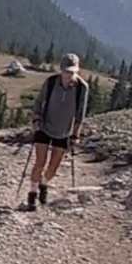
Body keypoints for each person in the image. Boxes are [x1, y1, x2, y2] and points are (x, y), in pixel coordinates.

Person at [26, 53, 89, 210]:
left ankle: (44, 184)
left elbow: (80, 113)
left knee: (53, 168)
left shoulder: (82, 88)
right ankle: (32, 195)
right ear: (61, 69)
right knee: (39, 163)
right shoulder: (51, 82)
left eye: (72, 71)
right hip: (44, 127)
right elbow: (39, 102)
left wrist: (76, 133)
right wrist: (36, 120)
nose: (69, 74)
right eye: (67, 71)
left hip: (65, 131)